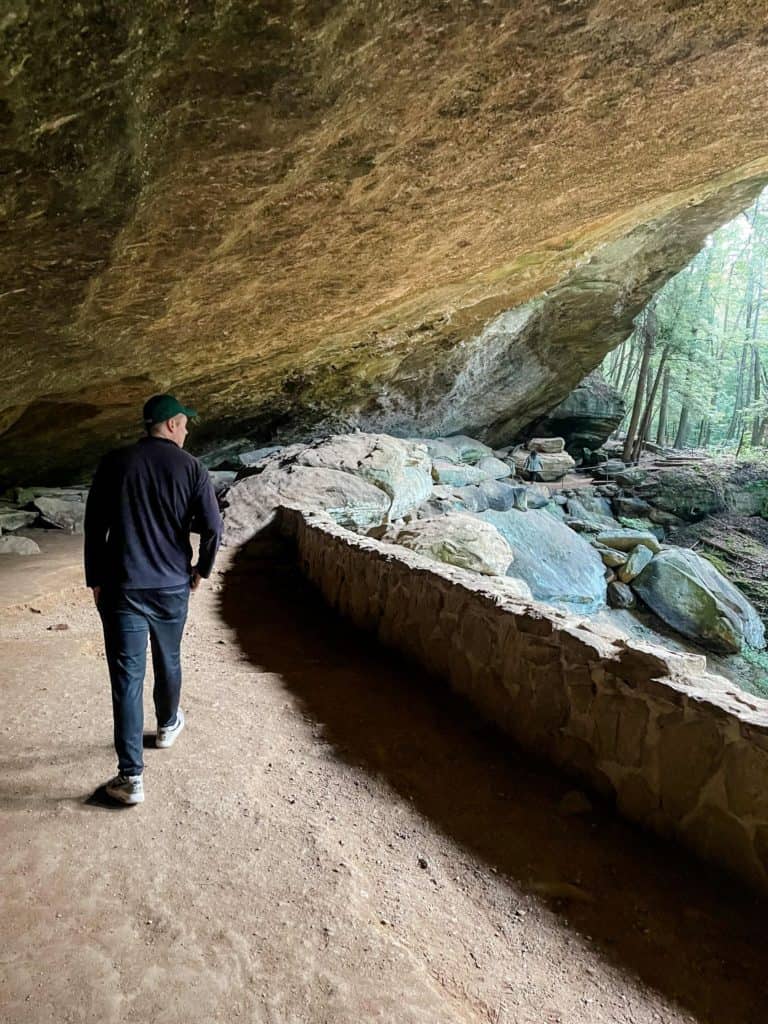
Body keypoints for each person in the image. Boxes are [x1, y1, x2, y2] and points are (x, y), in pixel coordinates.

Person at [84, 394, 222, 805]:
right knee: (169, 657)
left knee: (127, 678)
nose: (188, 430)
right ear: (173, 425)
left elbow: (95, 526)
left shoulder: (115, 462)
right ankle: (166, 726)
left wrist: (96, 579)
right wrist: (202, 570)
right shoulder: (192, 467)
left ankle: (131, 778)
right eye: (186, 423)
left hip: (123, 587)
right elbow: (213, 528)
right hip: (170, 587)